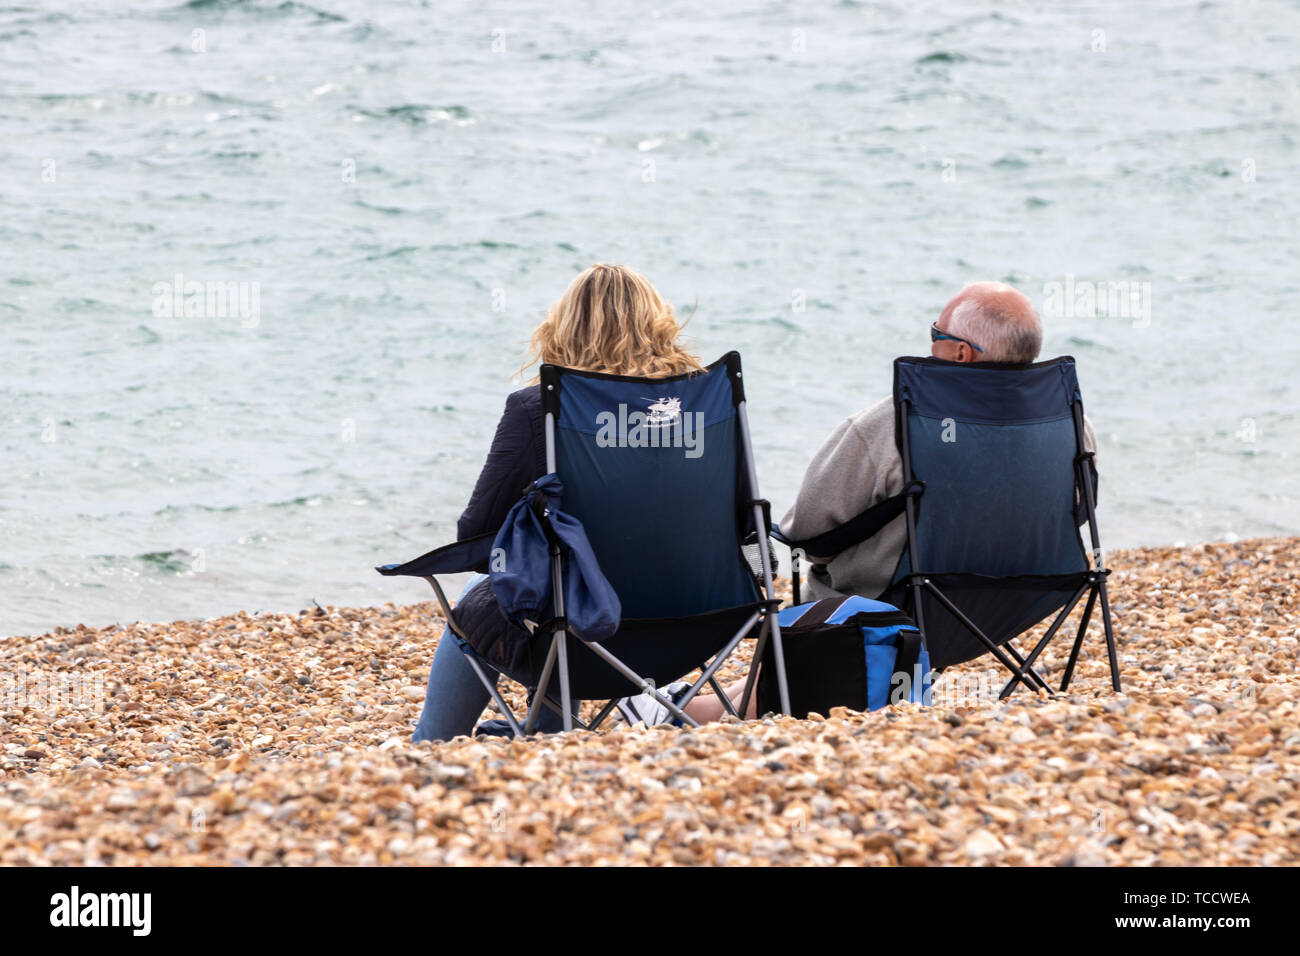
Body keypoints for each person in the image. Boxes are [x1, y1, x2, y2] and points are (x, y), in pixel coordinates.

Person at [412, 263, 753, 742]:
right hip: (704, 627)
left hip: (579, 638)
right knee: (558, 576)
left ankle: (431, 744)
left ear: (562, 327)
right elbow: (745, 521)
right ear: (660, 324)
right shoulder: (705, 407)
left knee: (480, 599)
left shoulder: (537, 410)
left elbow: (476, 533)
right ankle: (552, 728)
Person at [780, 281, 1098, 602]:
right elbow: (1078, 513)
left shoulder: (894, 423)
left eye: (937, 334)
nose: (930, 344)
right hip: (1020, 604)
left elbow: (807, 537)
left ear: (961, 353)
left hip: (896, 609)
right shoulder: (1072, 423)